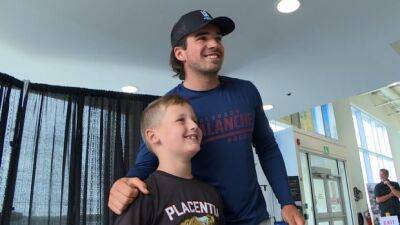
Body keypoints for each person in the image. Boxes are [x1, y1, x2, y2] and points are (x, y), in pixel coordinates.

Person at [108, 10, 305, 225]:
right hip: (203, 217)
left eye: (217, 38)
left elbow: (267, 148)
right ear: (180, 53)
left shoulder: (245, 92)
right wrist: (124, 183)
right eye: (202, 38)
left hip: (255, 218)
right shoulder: (170, 108)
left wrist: (286, 201)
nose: (214, 44)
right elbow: (146, 161)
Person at [114, 95, 225, 225]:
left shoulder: (211, 193)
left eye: (195, 121)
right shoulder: (144, 194)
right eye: (181, 120)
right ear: (153, 136)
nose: (194, 125)